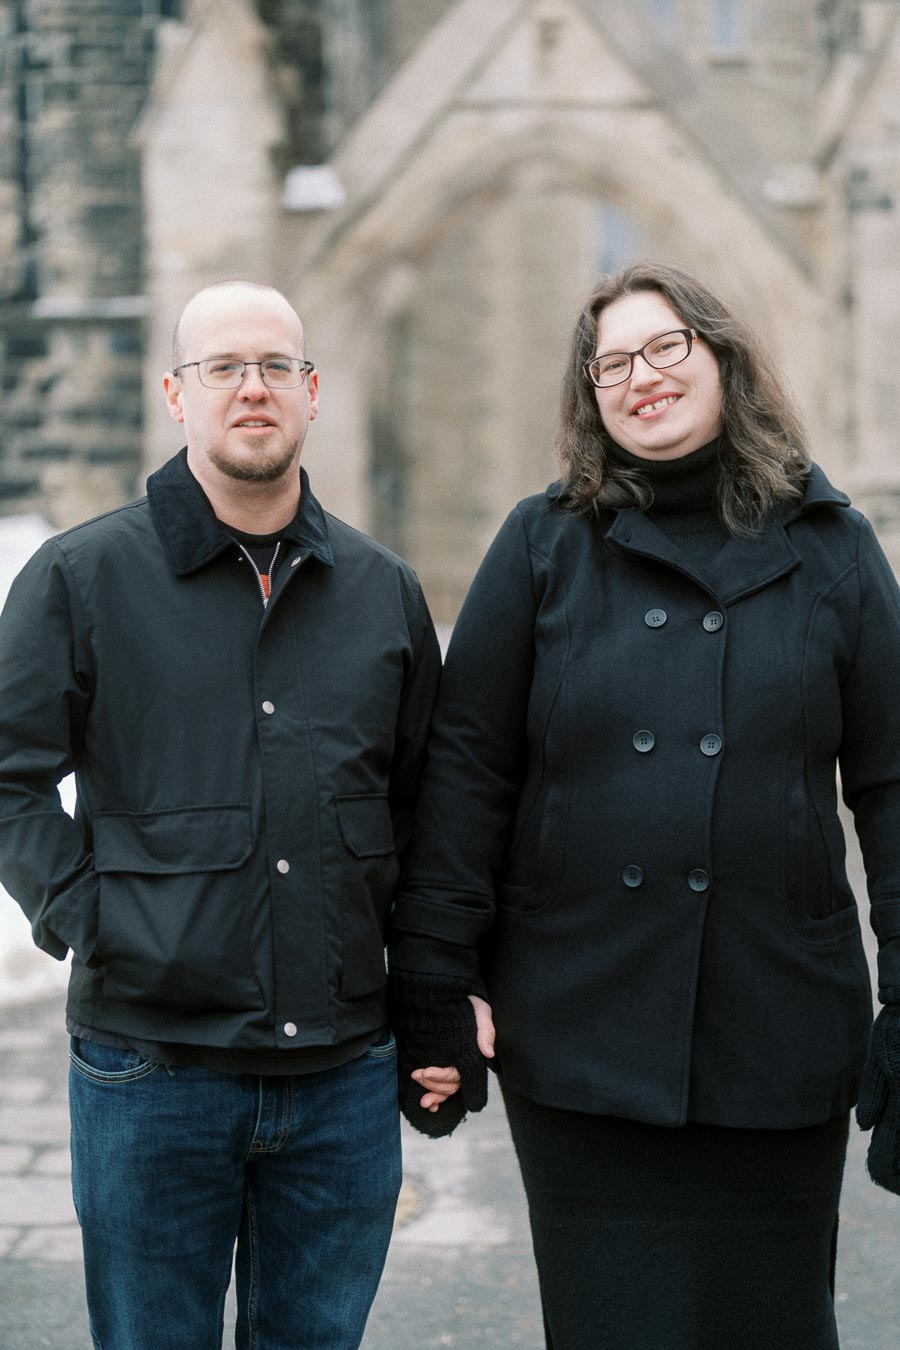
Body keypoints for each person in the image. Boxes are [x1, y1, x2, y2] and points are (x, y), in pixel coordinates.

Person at [387, 262, 900, 1349]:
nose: (641, 377)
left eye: (667, 347)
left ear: (723, 361)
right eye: (611, 362)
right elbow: (469, 771)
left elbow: (894, 789)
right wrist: (435, 979)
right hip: (582, 1031)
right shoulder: (543, 545)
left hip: (779, 1027)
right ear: (590, 397)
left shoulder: (832, 548)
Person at [0, 280, 441, 1350]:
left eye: (277, 367)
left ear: (312, 393)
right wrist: (85, 914)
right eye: (223, 369)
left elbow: (427, 810)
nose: (254, 389)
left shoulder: (382, 593)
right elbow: (8, 775)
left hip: (341, 1075)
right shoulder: (81, 576)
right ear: (175, 395)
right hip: (154, 1070)